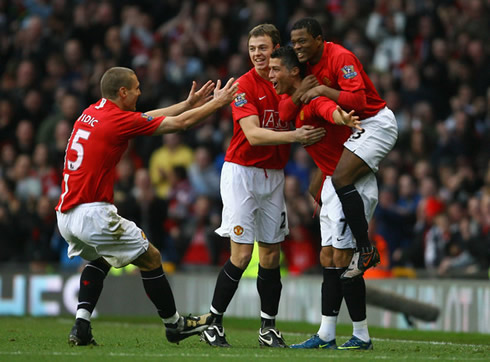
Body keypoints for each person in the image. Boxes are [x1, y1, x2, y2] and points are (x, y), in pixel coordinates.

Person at [55, 66, 238, 346]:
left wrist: (186, 104)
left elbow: (143, 118)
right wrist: (218, 102)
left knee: (100, 258)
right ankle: (174, 324)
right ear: (123, 92)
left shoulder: (92, 112)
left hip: (66, 214)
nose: (141, 91)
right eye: (137, 87)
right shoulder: (116, 121)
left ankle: (81, 325)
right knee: (151, 258)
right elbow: (180, 125)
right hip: (92, 212)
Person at [200, 24, 326, 348]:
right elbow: (254, 135)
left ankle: (267, 328)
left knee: (271, 254)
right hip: (242, 172)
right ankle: (212, 323)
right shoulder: (244, 85)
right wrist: (294, 136)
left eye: (263, 48)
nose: (257, 54)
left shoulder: (285, 82)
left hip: (274, 174)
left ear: (277, 49)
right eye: (252, 48)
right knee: (241, 255)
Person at [270, 45, 376, 350]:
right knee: (328, 257)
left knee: (344, 259)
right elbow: (284, 111)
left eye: (276, 69)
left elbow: (325, 109)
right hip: (332, 183)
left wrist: (341, 117)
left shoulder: (315, 98)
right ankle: (327, 334)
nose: (271, 75)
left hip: (352, 183)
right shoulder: (292, 99)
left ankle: (361, 334)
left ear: (293, 71)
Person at [287, 18, 398, 279]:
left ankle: (365, 248)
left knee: (340, 178)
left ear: (318, 39)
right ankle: (342, 241)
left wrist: (323, 90)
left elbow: (358, 100)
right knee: (317, 187)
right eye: (294, 42)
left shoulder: (341, 57)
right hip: (354, 128)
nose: (297, 47)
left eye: (302, 41)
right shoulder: (305, 65)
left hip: (374, 122)